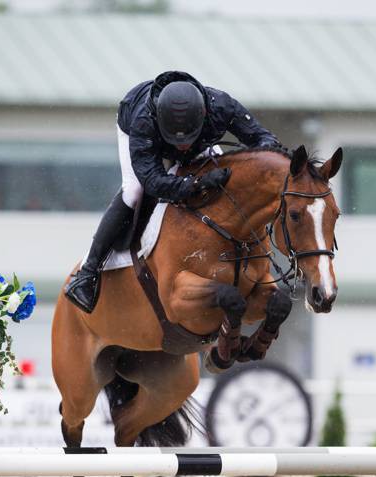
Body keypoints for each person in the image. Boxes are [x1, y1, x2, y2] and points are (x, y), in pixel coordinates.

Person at [65, 70, 279, 313]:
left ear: (205, 115)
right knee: (133, 192)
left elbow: (264, 140)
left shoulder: (222, 106)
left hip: (195, 139)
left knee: (223, 174)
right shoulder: (144, 122)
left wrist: (263, 163)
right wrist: (196, 184)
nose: (182, 146)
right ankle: (88, 273)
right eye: (176, 141)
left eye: (187, 139)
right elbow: (153, 182)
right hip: (141, 132)